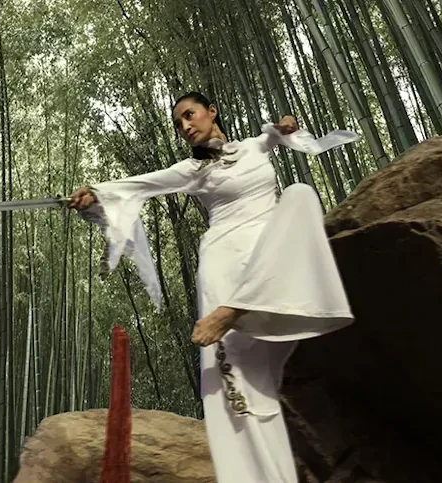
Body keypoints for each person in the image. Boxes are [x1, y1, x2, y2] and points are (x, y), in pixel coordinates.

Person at [68, 92, 358, 482]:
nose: (185, 126)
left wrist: (288, 123)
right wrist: (95, 194)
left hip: (270, 259)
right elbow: (137, 185)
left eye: (190, 115)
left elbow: (280, 132)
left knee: (300, 195)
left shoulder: (254, 146)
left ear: (212, 112)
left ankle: (240, 308)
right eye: (178, 123)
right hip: (226, 262)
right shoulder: (192, 169)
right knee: (239, 384)